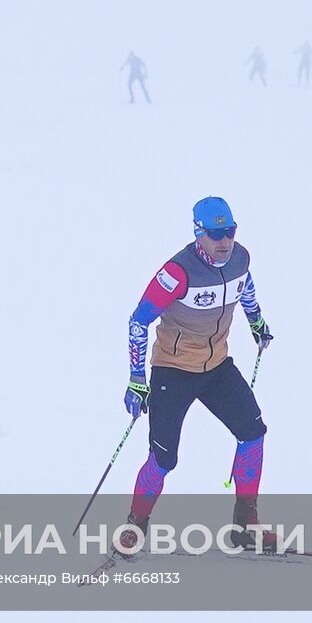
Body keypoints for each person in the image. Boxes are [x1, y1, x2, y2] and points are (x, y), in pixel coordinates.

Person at [119, 197, 275, 554]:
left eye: (230, 231)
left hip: (217, 365)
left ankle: (246, 523)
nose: (225, 241)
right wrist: (136, 379)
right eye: (216, 234)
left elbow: (245, 288)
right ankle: (136, 524)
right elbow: (138, 321)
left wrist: (257, 322)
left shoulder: (239, 258)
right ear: (198, 233)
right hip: (173, 370)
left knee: (253, 433)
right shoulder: (176, 273)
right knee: (164, 458)